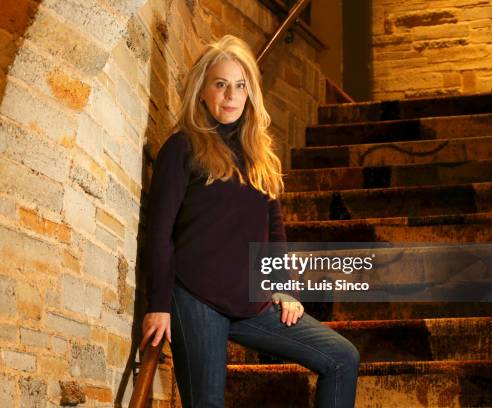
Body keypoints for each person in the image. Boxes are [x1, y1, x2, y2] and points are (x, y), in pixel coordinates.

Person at [139, 34, 359, 408]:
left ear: (250, 93)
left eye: (240, 86)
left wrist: (283, 288)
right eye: (221, 85)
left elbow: (274, 230)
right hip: (195, 297)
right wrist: (158, 304)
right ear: (203, 91)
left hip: (251, 301)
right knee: (207, 403)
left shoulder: (260, 158)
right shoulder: (183, 147)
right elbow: (160, 232)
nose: (230, 96)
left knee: (342, 357)